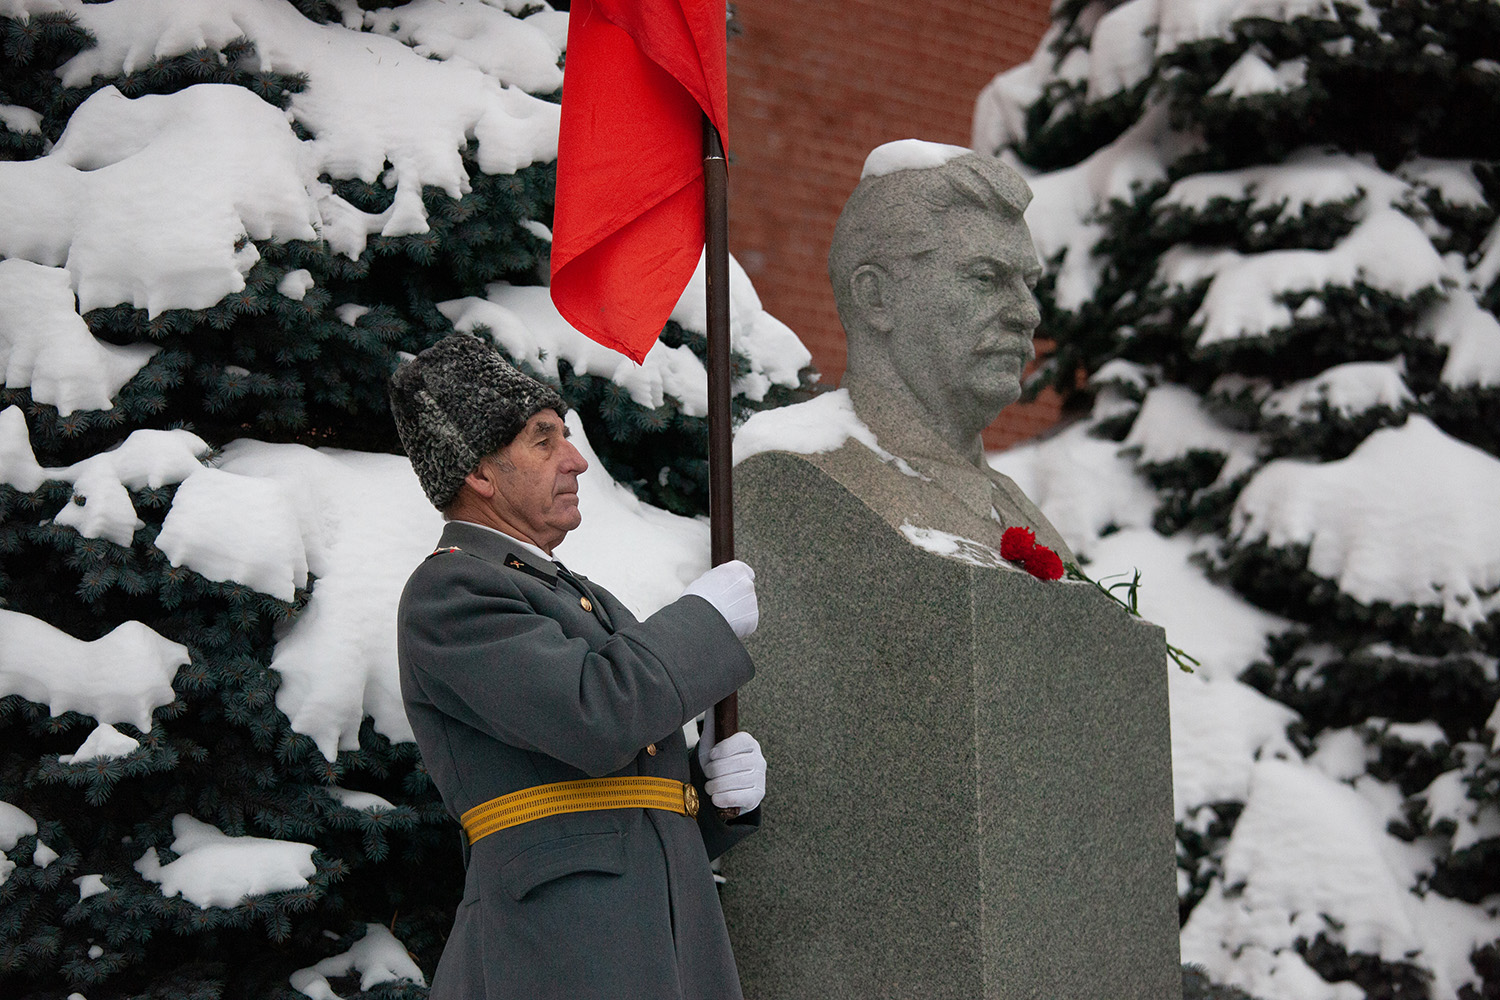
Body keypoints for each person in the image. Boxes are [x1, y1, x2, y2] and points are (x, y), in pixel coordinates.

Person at [388, 333, 765, 1000]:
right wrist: (701, 621)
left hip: (655, 947)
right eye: (544, 439)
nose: (576, 460)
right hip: (561, 952)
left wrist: (711, 796)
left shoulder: (574, 595)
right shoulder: (452, 594)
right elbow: (595, 714)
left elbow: (615, 815)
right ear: (480, 473)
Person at [821, 141, 1074, 560]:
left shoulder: (1020, 513)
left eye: (1028, 285)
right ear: (876, 298)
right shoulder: (821, 482)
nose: (1028, 314)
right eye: (986, 278)